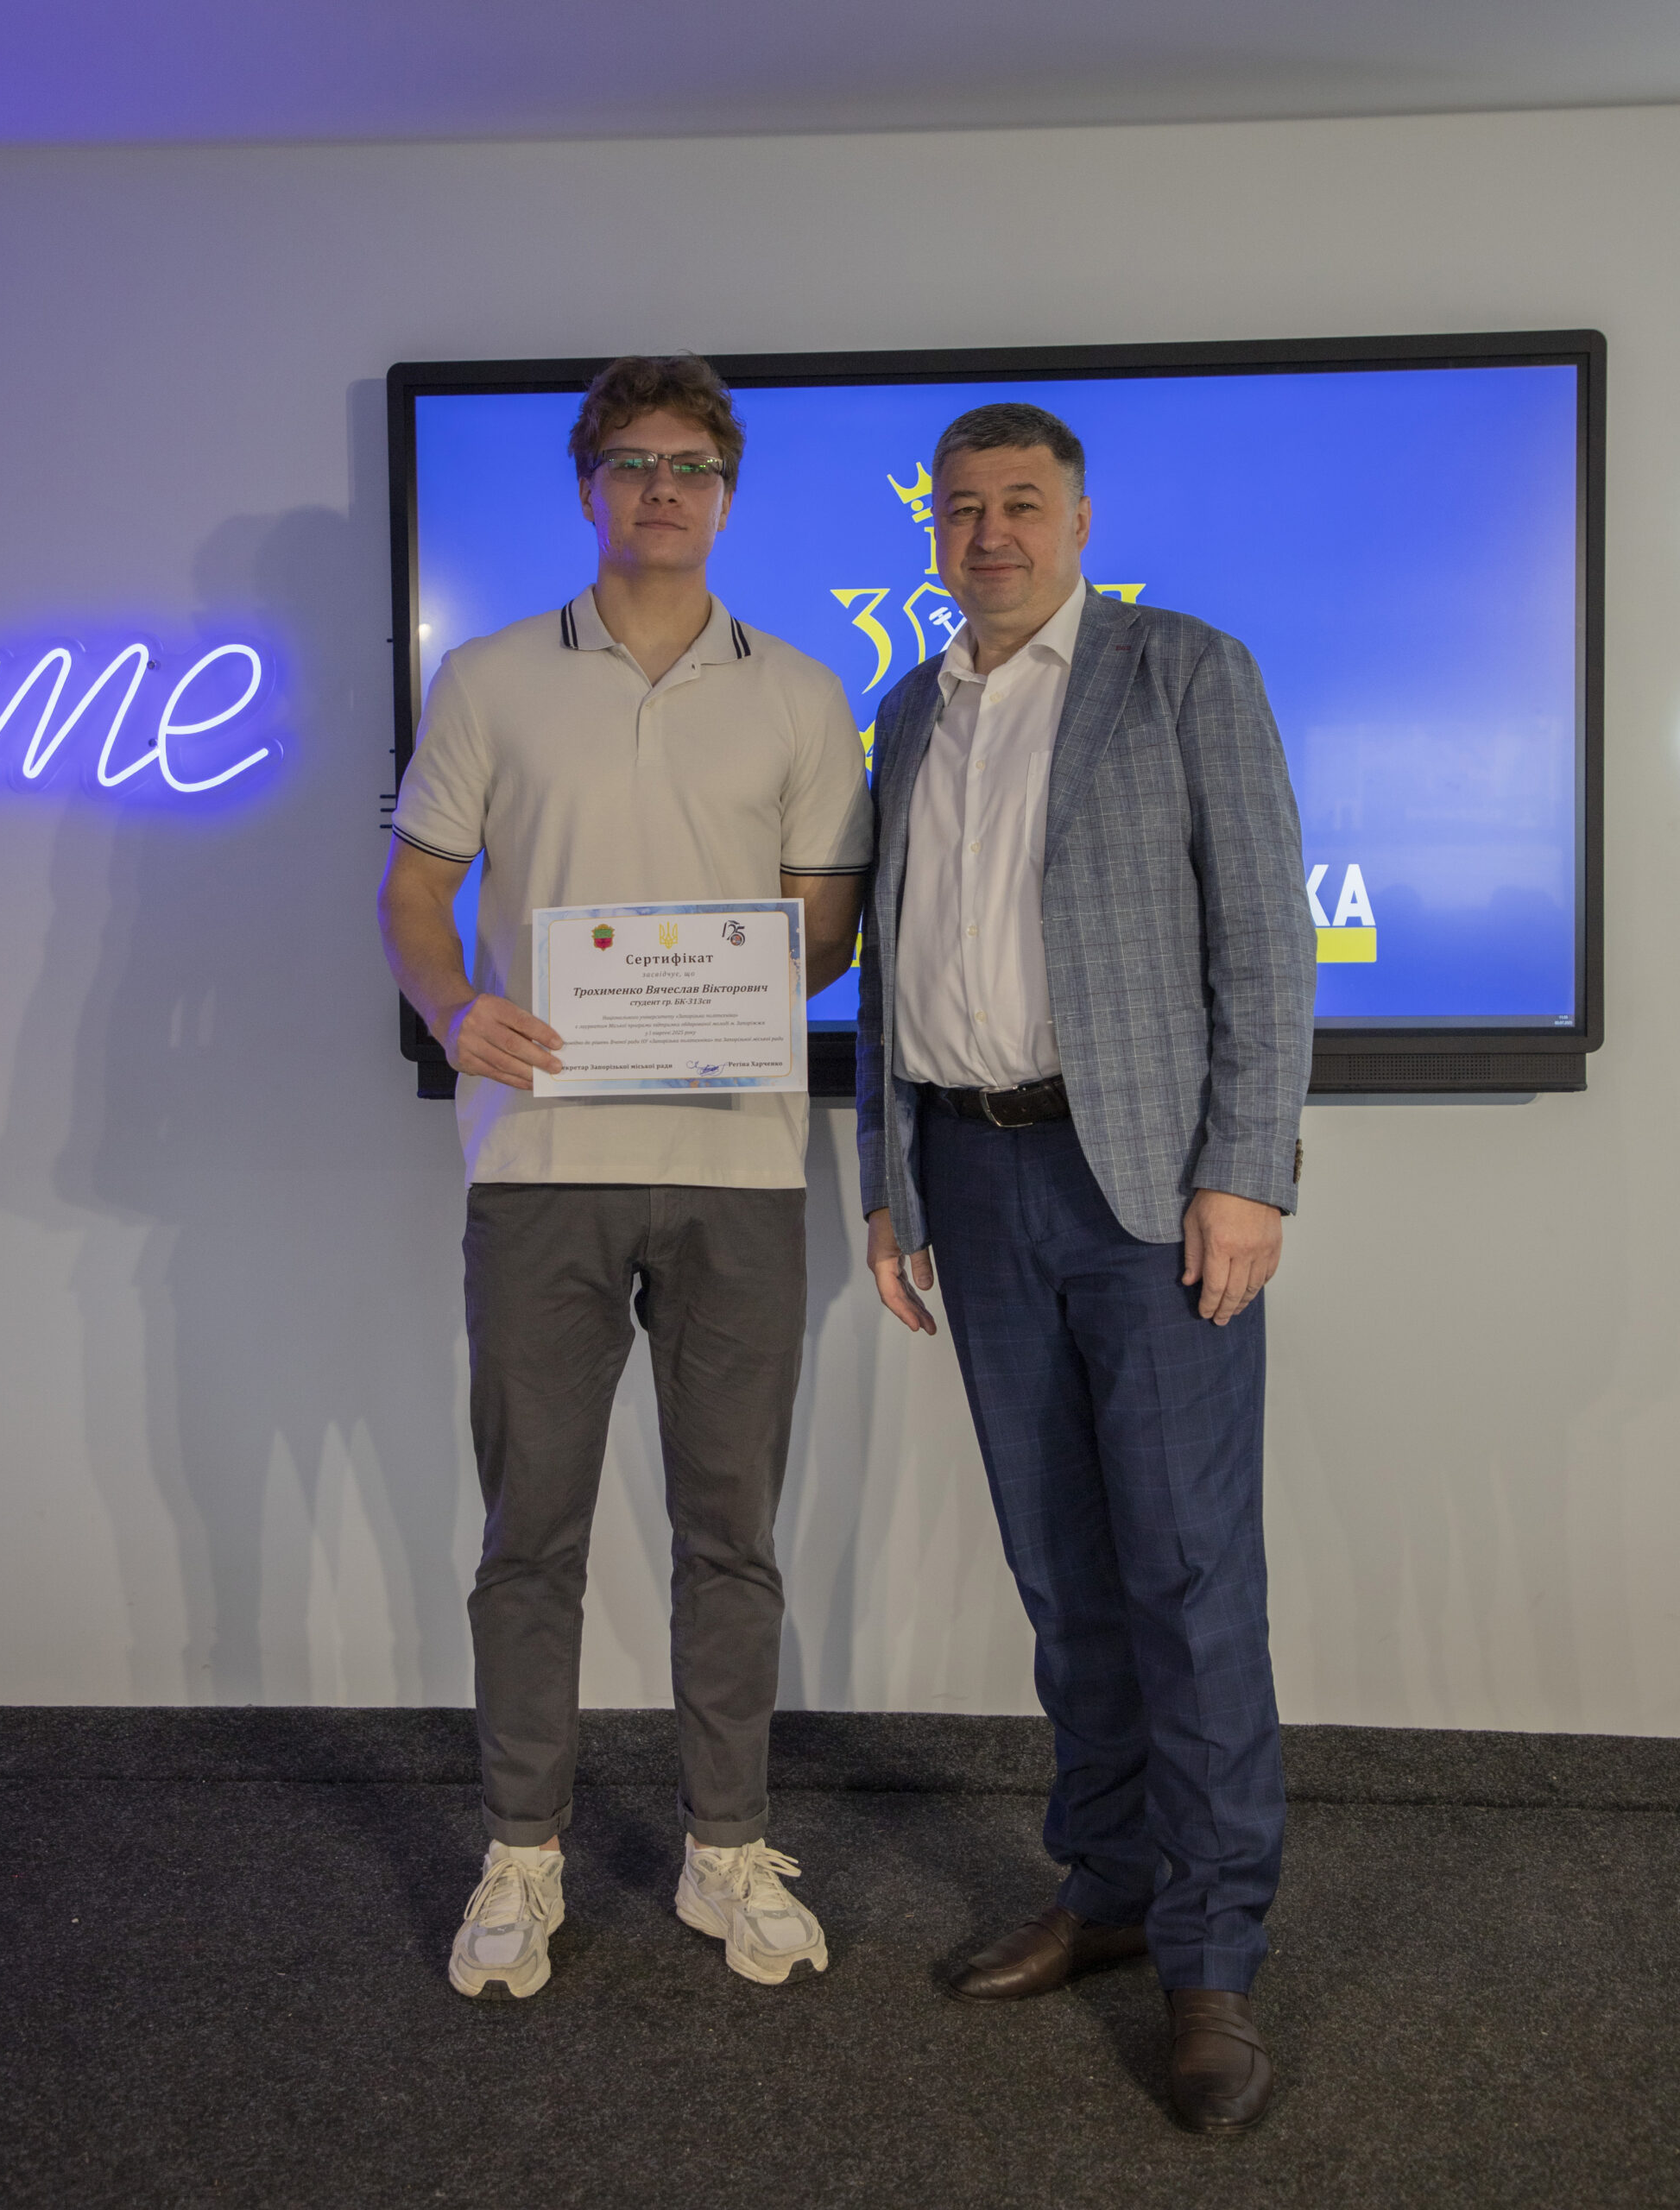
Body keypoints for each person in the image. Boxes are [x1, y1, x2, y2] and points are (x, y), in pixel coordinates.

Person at [379, 353, 870, 2000]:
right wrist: (454, 1007)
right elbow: (416, 894)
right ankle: (522, 1852)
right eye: (635, 463)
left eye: (693, 466)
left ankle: (725, 1850)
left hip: (740, 1166)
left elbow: (823, 925)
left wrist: (719, 988)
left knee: (731, 1530)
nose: (666, 490)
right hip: (541, 1160)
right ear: (589, 487)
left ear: (728, 494)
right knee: (533, 1530)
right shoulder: (491, 679)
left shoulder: (801, 694)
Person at [857, 401, 1315, 2131]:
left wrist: (1244, 1171)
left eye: (1022, 503)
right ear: (934, 530)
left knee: (1187, 1578)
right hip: (972, 1179)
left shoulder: (1181, 669)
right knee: (1062, 1574)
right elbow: (891, 967)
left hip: (1146, 1191)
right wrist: (890, 1179)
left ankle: (1212, 1955)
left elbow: (1264, 939)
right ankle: (1110, 1884)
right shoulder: (912, 709)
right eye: (961, 507)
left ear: (1079, 519)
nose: (990, 532)